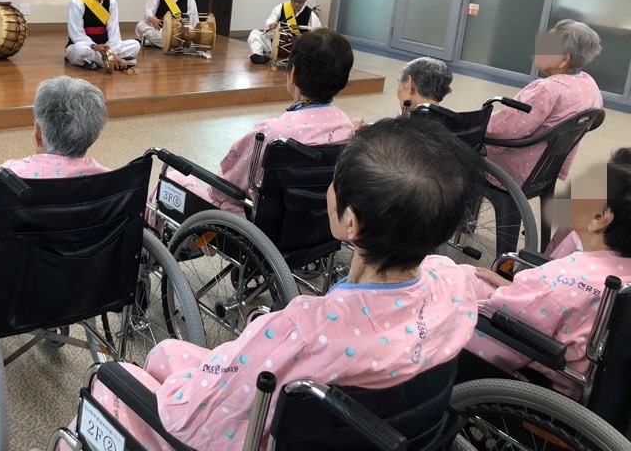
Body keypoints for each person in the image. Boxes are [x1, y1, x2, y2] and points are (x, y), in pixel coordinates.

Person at [74, 118, 484, 451]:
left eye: (334, 183)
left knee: (120, 376)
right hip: (367, 428)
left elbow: (198, 424)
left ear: (350, 223)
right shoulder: (454, 283)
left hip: (250, 420)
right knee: (167, 354)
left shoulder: (301, 330)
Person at [460, 149, 631, 398]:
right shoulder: (617, 275)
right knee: (470, 275)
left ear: (599, 218)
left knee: (454, 284)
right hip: (584, 373)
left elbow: (509, 326)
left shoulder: (559, 279)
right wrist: (516, 288)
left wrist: (476, 306)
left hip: (537, 376)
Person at [156, 29, 355, 216]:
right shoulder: (347, 128)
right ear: (343, 81)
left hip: (255, 225)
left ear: (293, 74)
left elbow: (224, 189)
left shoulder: (272, 134)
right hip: (312, 221)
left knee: (173, 179)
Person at [0, 76, 110, 267]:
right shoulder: (112, 182)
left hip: (9, 275)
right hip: (84, 273)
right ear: (95, 136)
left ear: (38, 133)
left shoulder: (4, 179)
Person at [485, 19, 604, 188]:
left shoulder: (547, 89)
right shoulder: (589, 85)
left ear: (564, 60)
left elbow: (506, 129)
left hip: (513, 169)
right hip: (546, 168)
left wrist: (473, 122)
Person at [65, 0, 141, 71]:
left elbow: (114, 31)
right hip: (88, 46)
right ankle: (117, 62)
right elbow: (76, 34)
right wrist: (94, 46)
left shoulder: (111, 2)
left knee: (135, 45)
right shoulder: (77, 2)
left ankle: (101, 62)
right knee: (80, 50)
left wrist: (112, 52)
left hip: (105, 48)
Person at [353, 56, 453, 130]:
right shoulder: (455, 121)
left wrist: (355, 130)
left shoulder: (399, 130)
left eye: (399, 83)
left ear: (409, 84)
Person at [247, 0, 322, 65]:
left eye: (300, 1)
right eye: (294, 0)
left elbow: (318, 34)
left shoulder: (310, 15)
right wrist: (271, 24)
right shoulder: (281, 7)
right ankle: (257, 55)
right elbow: (271, 19)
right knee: (255, 34)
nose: (296, 4)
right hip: (277, 45)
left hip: (297, 49)